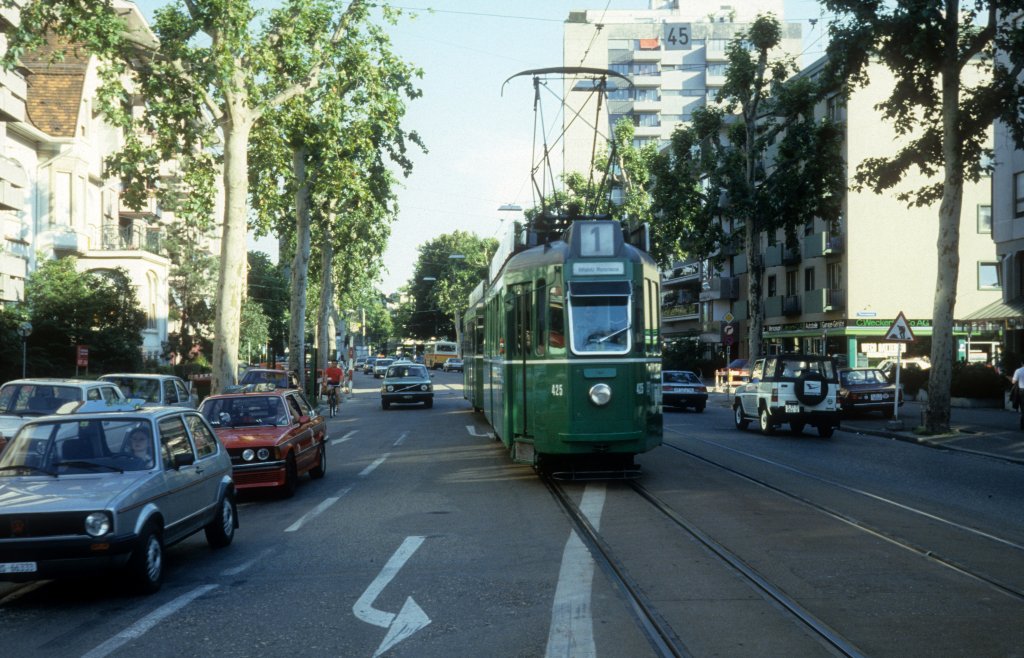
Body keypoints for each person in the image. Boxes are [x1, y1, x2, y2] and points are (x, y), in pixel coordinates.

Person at [1011, 359, 1024, 429]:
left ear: (1022, 363)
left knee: (1023, 408)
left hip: (1022, 391)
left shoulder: (1018, 370)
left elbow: (1013, 381)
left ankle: (1022, 425)